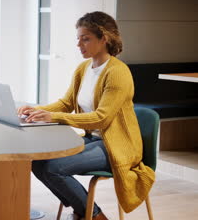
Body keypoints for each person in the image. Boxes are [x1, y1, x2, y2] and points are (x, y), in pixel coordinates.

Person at [18, 11, 155, 220]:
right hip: (95, 140)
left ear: (104, 39)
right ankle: (83, 209)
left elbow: (102, 118)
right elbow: (67, 103)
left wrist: (54, 117)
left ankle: (94, 216)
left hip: (117, 147)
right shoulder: (84, 68)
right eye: (78, 39)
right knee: (37, 161)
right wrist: (38, 111)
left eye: (86, 39)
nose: (79, 44)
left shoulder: (117, 72)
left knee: (54, 168)